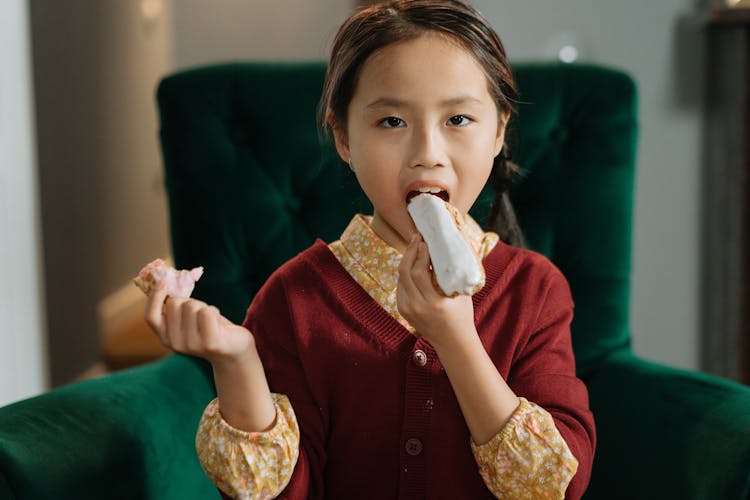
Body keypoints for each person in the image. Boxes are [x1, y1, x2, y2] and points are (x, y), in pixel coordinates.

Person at [145, 1, 595, 498]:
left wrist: (456, 340)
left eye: (459, 118)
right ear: (343, 137)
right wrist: (236, 361)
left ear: (499, 132)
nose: (427, 151)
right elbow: (272, 490)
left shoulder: (535, 291)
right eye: (392, 123)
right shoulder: (293, 300)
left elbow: (556, 485)